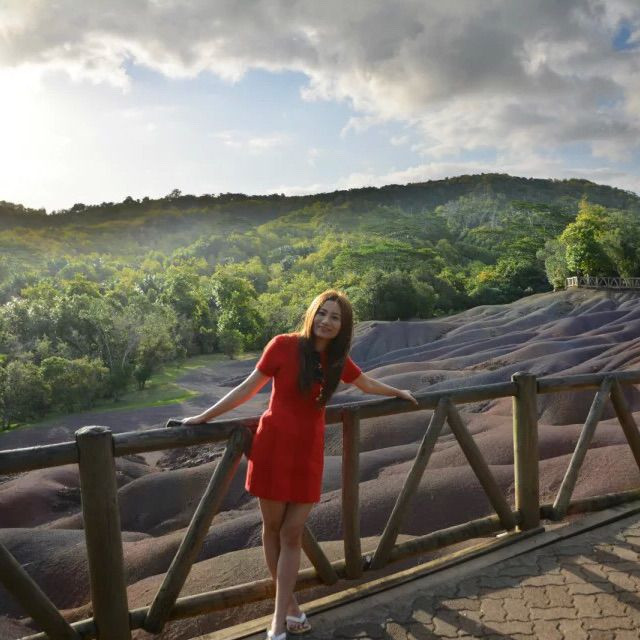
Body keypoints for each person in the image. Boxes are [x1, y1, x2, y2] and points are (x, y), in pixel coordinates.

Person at [181, 289, 418, 640]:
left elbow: (365, 383)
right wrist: (203, 416)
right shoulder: (283, 345)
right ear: (312, 313)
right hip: (273, 447)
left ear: (343, 326)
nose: (326, 321)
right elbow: (248, 389)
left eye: (335, 317)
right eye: (322, 313)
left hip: (307, 452)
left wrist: (398, 392)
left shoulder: (337, 359)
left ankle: (283, 614)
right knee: (273, 528)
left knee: (292, 532)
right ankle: (284, 614)